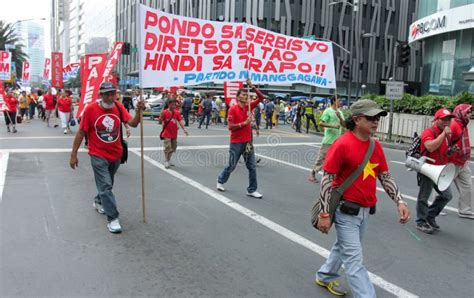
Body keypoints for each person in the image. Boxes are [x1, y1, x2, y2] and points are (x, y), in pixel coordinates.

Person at [315, 99, 410, 297]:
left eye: (377, 118)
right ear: (357, 119)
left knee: (343, 247)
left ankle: (324, 276)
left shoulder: (375, 146)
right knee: (354, 261)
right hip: (345, 213)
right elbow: (326, 180)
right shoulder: (342, 144)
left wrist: (400, 201)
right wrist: (324, 213)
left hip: (365, 212)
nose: (376, 122)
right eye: (370, 118)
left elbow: (385, 176)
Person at [69, 82, 145, 234]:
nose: (111, 97)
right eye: (107, 94)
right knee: (105, 186)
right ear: (101, 95)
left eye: (113, 94)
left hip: (116, 154)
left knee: (107, 184)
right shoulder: (91, 110)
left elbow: (133, 123)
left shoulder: (118, 106)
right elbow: (81, 132)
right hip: (97, 154)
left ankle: (98, 201)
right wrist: (73, 154)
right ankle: (113, 218)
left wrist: (139, 111)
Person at [217, 79, 265, 198]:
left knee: (252, 167)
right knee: (232, 165)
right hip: (236, 143)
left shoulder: (250, 106)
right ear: (238, 97)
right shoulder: (233, 109)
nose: (246, 96)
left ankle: (251, 189)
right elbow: (230, 127)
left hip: (248, 142)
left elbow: (261, 97)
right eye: (243, 95)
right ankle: (220, 180)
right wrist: (244, 123)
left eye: (247, 95)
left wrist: (252, 86)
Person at [415, 108, 454, 234]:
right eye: (443, 119)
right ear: (436, 120)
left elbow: (443, 151)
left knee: (447, 195)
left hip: (440, 170)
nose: (447, 122)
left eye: (449, 120)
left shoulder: (446, 134)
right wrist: (443, 135)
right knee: (423, 197)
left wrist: (451, 151)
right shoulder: (429, 131)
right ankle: (421, 221)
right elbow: (430, 147)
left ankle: (430, 215)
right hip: (428, 169)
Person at [309, 95, 345, 183]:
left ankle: (334, 177)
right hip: (328, 140)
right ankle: (313, 173)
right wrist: (333, 126)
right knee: (321, 158)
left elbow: (344, 125)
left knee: (337, 160)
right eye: (339, 101)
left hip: (338, 141)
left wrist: (339, 117)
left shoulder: (340, 112)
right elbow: (321, 123)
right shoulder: (328, 111)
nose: (341, 102)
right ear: (334, 101)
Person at [449, 104, 473, 219]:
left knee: (467, 185)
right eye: (467, 112)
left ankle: (465, 210)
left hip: (463, 161)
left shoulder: (463, 124)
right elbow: (446, 142)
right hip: (452, 162)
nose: (469, 114)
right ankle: (434, 205)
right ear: (461, 113)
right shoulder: (454, 125)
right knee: (443, 184)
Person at [159, 98, 189, 169]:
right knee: (167, 147)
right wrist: (162, 121)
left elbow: (180, 120)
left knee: (173, 148)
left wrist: (184, 129)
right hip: (167, 133)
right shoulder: (164, 112)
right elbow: (160, 120)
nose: (174, 106)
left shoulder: (177, 112)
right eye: (172, 105)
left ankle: (169, 159)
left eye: (174, 105)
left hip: (174, 133)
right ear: (169, 105)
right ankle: (166, 160)